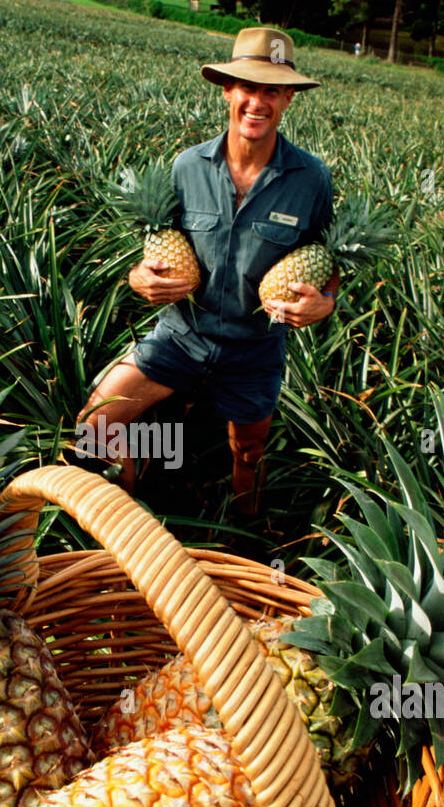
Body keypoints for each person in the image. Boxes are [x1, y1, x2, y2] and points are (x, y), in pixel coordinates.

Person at [75, 26, 338, 517]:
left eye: (272, 91)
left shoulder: (310, 178)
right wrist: (139, 278)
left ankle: (248, 544)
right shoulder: (186, 167)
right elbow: (155, 247)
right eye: (249, 88)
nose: (257, 102)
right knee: (96, 424)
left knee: (248, 455)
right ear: (228, 90)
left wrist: (326, 301)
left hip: (255, 347)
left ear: (287, 100)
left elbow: (326, 257)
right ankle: (127, 530)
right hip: (181, 337)